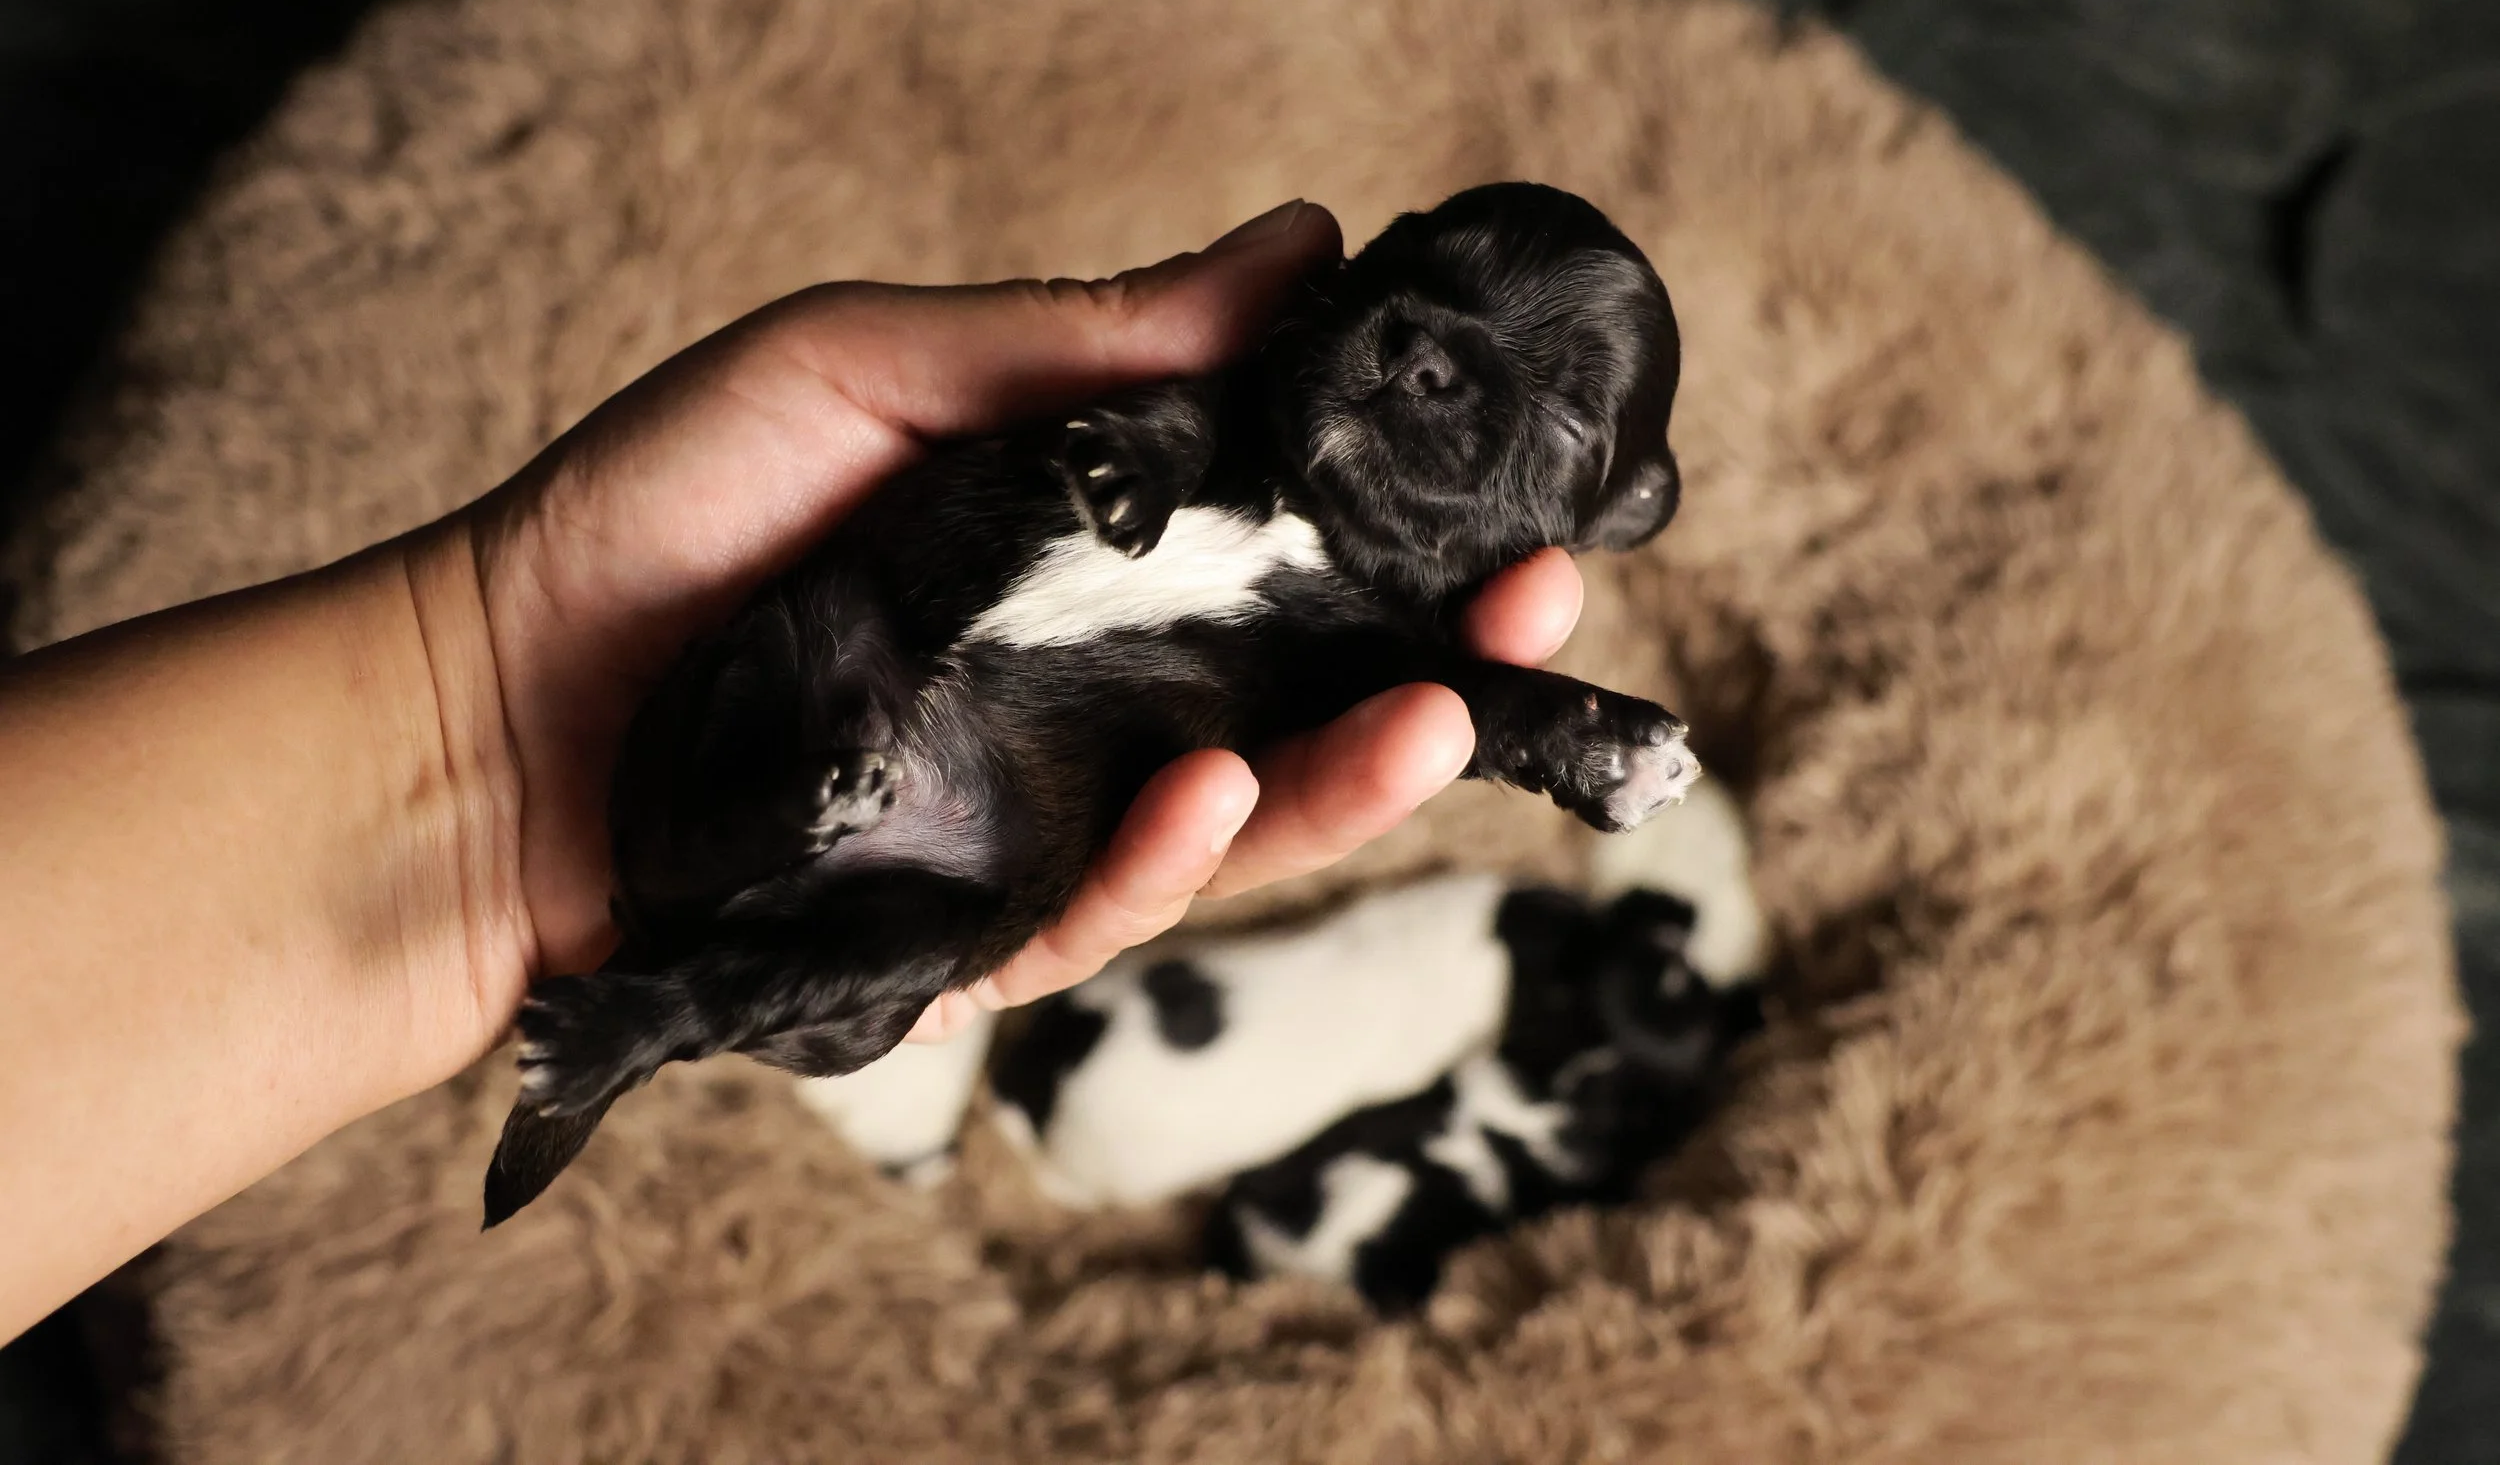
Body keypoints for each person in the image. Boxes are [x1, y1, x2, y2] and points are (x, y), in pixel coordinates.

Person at [0, 201, 1585, 1341]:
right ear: (1372, 260)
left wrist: (1540, 722)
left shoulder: (1385, 628)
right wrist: (1153, 444)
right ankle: (737, 868)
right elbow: (1161, 414)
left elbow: (1425, 696)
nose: (1442, 360)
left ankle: (658, 1010)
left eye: (1560, 410)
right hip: (826, 666)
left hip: (951, 847)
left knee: (930, 943)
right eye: (1430, 284)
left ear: (1612, 508)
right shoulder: (1215, 412)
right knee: (798, 696)